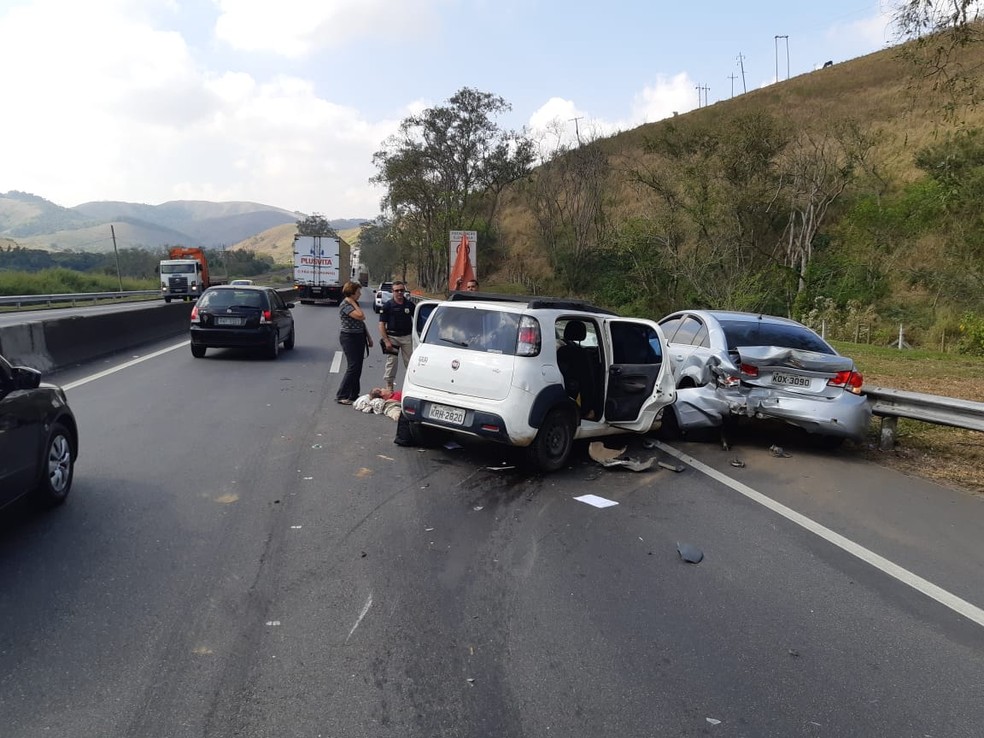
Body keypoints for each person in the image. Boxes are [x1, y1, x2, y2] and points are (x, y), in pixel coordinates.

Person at [336, 281, 372, 404]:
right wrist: (352, 302)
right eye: (358, 292)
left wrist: (368, 337)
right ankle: (341, 395)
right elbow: (361, 316)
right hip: (349, 338)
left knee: (358, 367)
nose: (360, 294)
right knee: (353, 366)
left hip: (359, 336)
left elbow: (361, 323)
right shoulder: (345, 305)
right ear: (351, 293)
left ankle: (353, 394)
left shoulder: (353, 303)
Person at [378, 280, 415, 390]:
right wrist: (386, 341)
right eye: (396, 290)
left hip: (407, 337)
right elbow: (381, 325)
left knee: (410, 362)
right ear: (392, 291)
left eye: (401, 290)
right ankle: (389, 386)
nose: (399, 293)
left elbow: (418, 320)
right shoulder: (387, 306)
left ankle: (411, 384)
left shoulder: (409, 305)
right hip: (392, 337)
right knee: (392, 362)